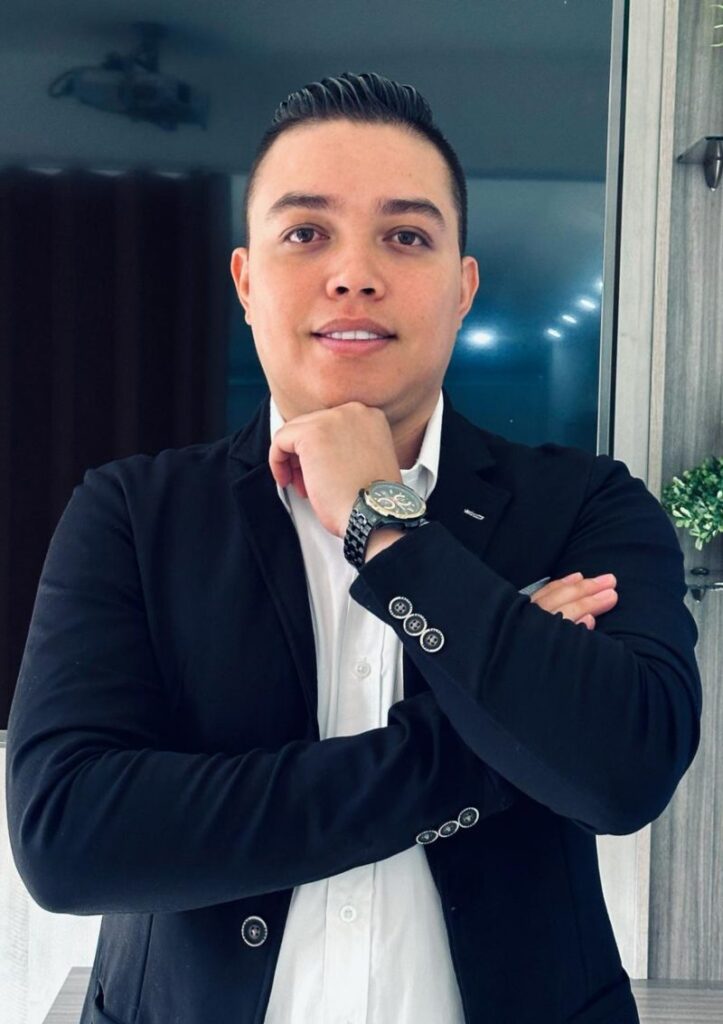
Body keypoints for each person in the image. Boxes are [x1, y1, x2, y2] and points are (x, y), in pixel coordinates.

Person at [5, 72, 701, 1024]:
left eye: (405, 236)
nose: (353, 273)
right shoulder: (131, 512)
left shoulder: (586, 504)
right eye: (305, 232)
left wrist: (386, 527)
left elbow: (623, 773)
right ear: (246, 283)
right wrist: (477, 748)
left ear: (462, 289)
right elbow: (71, 840)